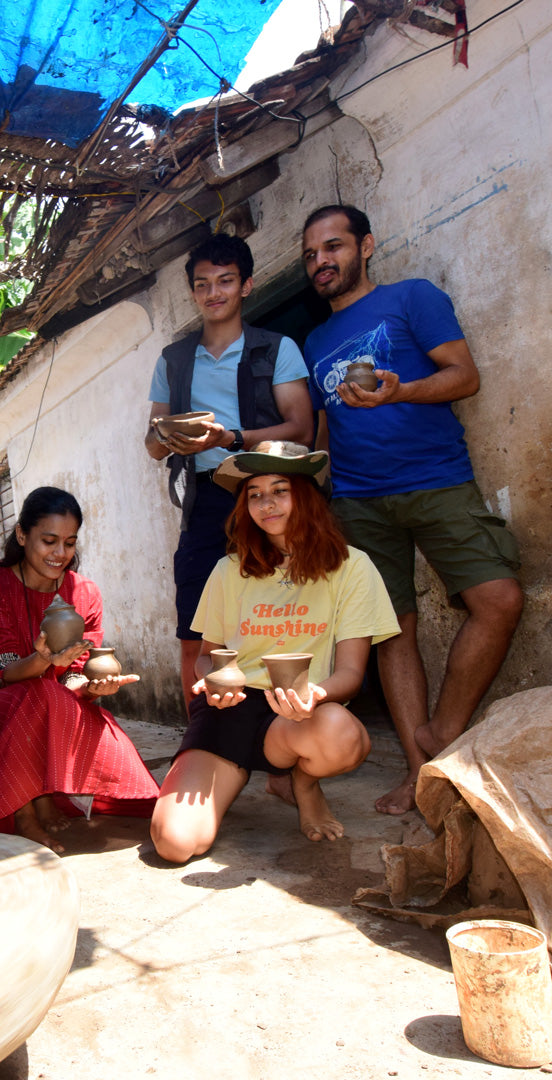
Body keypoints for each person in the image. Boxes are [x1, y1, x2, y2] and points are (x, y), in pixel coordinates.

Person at [301, 205, 523, 815]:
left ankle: (442, 734)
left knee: (499, 600)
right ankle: (417, 770)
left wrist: (404, 390)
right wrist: (308, 483)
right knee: (391, 629)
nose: (322, 261)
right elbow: (325, 425)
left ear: (365, 246)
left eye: (334, 246)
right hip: (356, 500)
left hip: (437, 479)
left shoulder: (412, 298)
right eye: (312, 253)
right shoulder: (315, 341)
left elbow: (464, 376)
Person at [150, 442, 399, 863]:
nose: (266, 504)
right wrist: (212, 680)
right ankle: (237, 772)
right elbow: (208, 655)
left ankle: (300, 783)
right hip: (228, 710)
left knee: (342, 736)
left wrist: (314, 696)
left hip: (295, 715)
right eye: (255, 494)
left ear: (305, 494)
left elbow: (352, 673)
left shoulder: (352, 567)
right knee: (175, 844)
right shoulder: (230, 569)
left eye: (280, 490)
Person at [0, 487, 159, 853]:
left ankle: (44, 794)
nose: (60, 554)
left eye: (70, 543)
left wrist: (92, 688)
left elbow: (73, 674)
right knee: (36, 691)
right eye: (49, 541)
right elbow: (3, 672)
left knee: (130, 784)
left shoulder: (83, 592)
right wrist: (42, 661)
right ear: (22, 535)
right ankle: (24, 813)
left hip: (55, 711)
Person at [144, 234, 313, 708]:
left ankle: (284, 731)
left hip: (266, 494)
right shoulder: (173, 360)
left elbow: (301, 428)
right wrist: (171, 436)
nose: (213, 293)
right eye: (202, 284)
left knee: (279, 613)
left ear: (247, 285)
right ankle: (201, 734)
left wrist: (231, 439)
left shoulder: (276, 349)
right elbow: (152, 444)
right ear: (192, 292)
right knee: (195, 622)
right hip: (203, 500)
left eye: (225, 281)